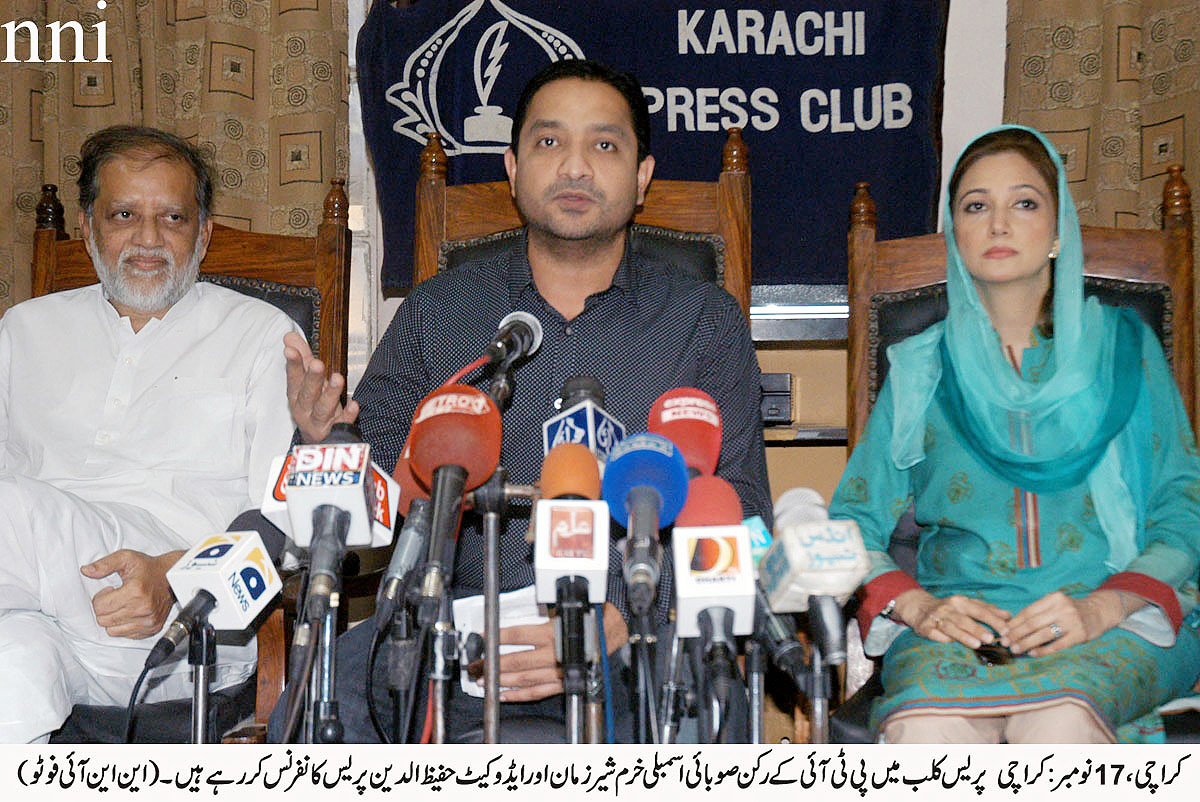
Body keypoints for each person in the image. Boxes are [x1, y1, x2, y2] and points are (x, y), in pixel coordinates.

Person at [284, 59, 771, 741]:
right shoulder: (438, 312)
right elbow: (383, 496)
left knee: (708, 700)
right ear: (513, 170)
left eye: (604, 146)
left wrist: (629, 619)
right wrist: (324, 444)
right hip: (453, 636)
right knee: (317, 699)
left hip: (635, 639)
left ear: (642, 178)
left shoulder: (703, 321)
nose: (575, 167)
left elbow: (741, 515)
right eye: (549, 143)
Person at [830, 125, 1200, 744]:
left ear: (1059, 232)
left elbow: (1182, 504)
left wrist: (1102, 606)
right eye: (977, 206)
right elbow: (850, 524)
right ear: (957, 236)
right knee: (926, 737)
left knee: (1056, 724)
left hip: (1110, 617)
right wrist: (920, 608)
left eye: (1024, 203)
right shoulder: (921, 368)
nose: (999, 224)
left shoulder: (1125, 352)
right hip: (959, 628)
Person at [0, 126, 299, 742]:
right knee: (13, 674)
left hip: (177, 628)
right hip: (38, 612)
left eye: (172, 217)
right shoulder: (22, 330)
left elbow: (287, 523)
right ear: (87, 228)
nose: (147, 239)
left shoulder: (261, 336)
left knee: (12, 506)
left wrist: (175, 577)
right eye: (124, 215)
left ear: (204, 233)